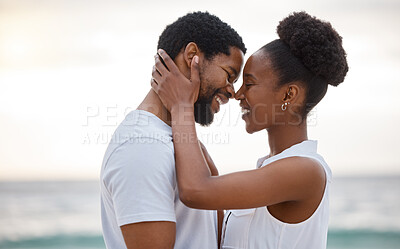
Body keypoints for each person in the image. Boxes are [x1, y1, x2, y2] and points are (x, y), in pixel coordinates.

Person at [151, 11, 348, 249]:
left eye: (250, 84)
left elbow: (195, 190)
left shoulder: (305, 170)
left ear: (289, 94)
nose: (238, 94)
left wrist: (181, 106)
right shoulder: (272, 168)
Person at [100, 12, 246, 249]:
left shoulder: (177, 141)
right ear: (192, 57)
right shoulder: (141, 146)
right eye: (229, 75)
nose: (232, 91)